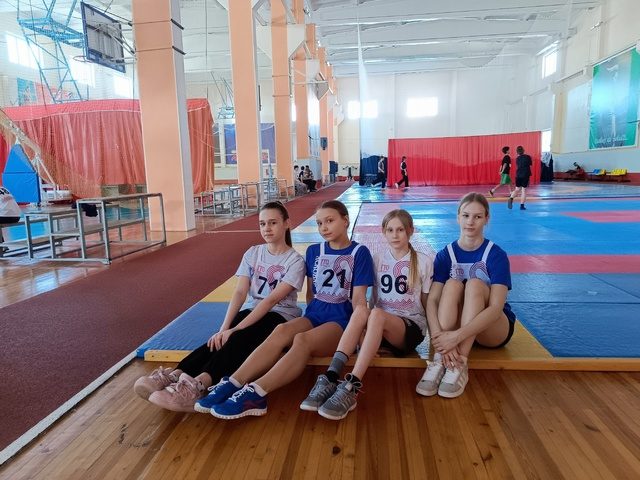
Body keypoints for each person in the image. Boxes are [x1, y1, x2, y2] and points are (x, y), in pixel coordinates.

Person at [199, 200, 375, 419]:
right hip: (315, 314)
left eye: (330, 221)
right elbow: (311, 293)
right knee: (281, 330)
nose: (324, 227)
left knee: (302, 340)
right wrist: (310, 319)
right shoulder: (314, 251)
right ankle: (233, 382)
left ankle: (257, 392)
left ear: (346, 221)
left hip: (341, 320)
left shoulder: (359, 252)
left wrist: (361, 329)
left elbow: (359, 299)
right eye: (319, 223)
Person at [133, 201, 306, 412]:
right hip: (253, 310)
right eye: (262, 224)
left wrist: (235, 329)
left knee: (239, 338)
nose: (267, 228)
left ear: (286, 223)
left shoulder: (295, 261)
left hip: (280, 315)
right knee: (218, 339)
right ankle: (178, 374)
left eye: (273, 223)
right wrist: (224, 328)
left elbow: (270, 301)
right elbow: (240, 292)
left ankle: (200, 384)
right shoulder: (253, 253)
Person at [302, 209, 433, 420]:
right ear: (383, 232)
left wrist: (436, 337)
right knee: (364, 310)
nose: (395, 235)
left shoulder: (425, 261)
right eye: (390, 230)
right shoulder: (377, 258)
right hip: (379, 328)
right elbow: (371, 299)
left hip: (409, 328)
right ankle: (331, 376)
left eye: (400, 230)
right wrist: (363, 331)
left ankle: (352, 386)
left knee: (377, 314)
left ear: (410, 231)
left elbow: (428, 302)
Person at [416, 192, 516, 399]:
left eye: (477, 216)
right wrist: (438, 339)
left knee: (475, 284)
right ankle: (441, 359)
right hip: (455, 328)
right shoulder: (446, 255)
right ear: (458, 217)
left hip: (492, 329)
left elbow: (496, 308)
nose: (470, 222)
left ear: (486, 219)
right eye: (466, 215)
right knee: (452, 284)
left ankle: (459, 363)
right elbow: (432, 301)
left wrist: (456, 337)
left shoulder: (496, 255)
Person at [508, 146, 532, 210]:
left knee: (517, 189)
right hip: (525, 175)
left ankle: (511, 198)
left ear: (517, 152)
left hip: (518, 175)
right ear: (523, 150)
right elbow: (530, 166)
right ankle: (522, 206)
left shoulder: (517, 159)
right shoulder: (528, 157)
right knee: (524, 190)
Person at [0, 186, 21, 255]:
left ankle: (3, 245)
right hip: (17, 216)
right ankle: (3, 245)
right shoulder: (3, 188)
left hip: (6, 216)